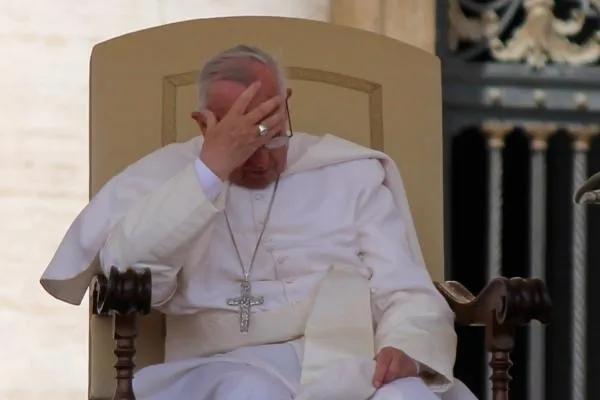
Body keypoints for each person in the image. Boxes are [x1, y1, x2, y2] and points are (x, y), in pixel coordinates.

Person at [40, 45, 478, 400]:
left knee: (406, 397)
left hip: (348, 363)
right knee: (250, 392)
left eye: (273, 136)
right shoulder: (168, 177)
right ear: (203, 123)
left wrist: (405, 346)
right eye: (245, 143)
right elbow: (130, 270)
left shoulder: (349, 173)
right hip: (222, 367)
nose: (264, 160)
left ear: (286, 107)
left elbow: (403, 287)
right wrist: (210, 171)